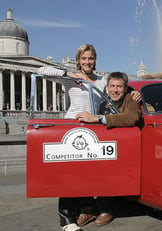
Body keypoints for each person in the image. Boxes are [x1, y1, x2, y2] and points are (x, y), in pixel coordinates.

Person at [37, 44, 140, 231]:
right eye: (83, 58)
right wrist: (69, 74)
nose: (87, 62)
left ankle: (89, 208)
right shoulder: (70, 79)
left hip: (94, 129)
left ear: (95, 60)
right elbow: (41, 70)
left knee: (89, 173)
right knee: (69, 174)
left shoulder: (101, 80)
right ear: (78, 60)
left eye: (91, 58)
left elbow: (116, 87)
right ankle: (67, 220)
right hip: (72, 128)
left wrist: (134, 92)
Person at [75, 71, 141, 227]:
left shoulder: (131, 98)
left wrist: (98, 118)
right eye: (112, 86)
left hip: (125, 149)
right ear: (107, 87)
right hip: (104, 147)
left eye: (119, 86)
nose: (115, 90)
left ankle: (106, 209)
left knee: (108, 171)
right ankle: (88, 208)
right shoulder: (103, 102)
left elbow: (131, 118)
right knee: (82, 167)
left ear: (125, 89)